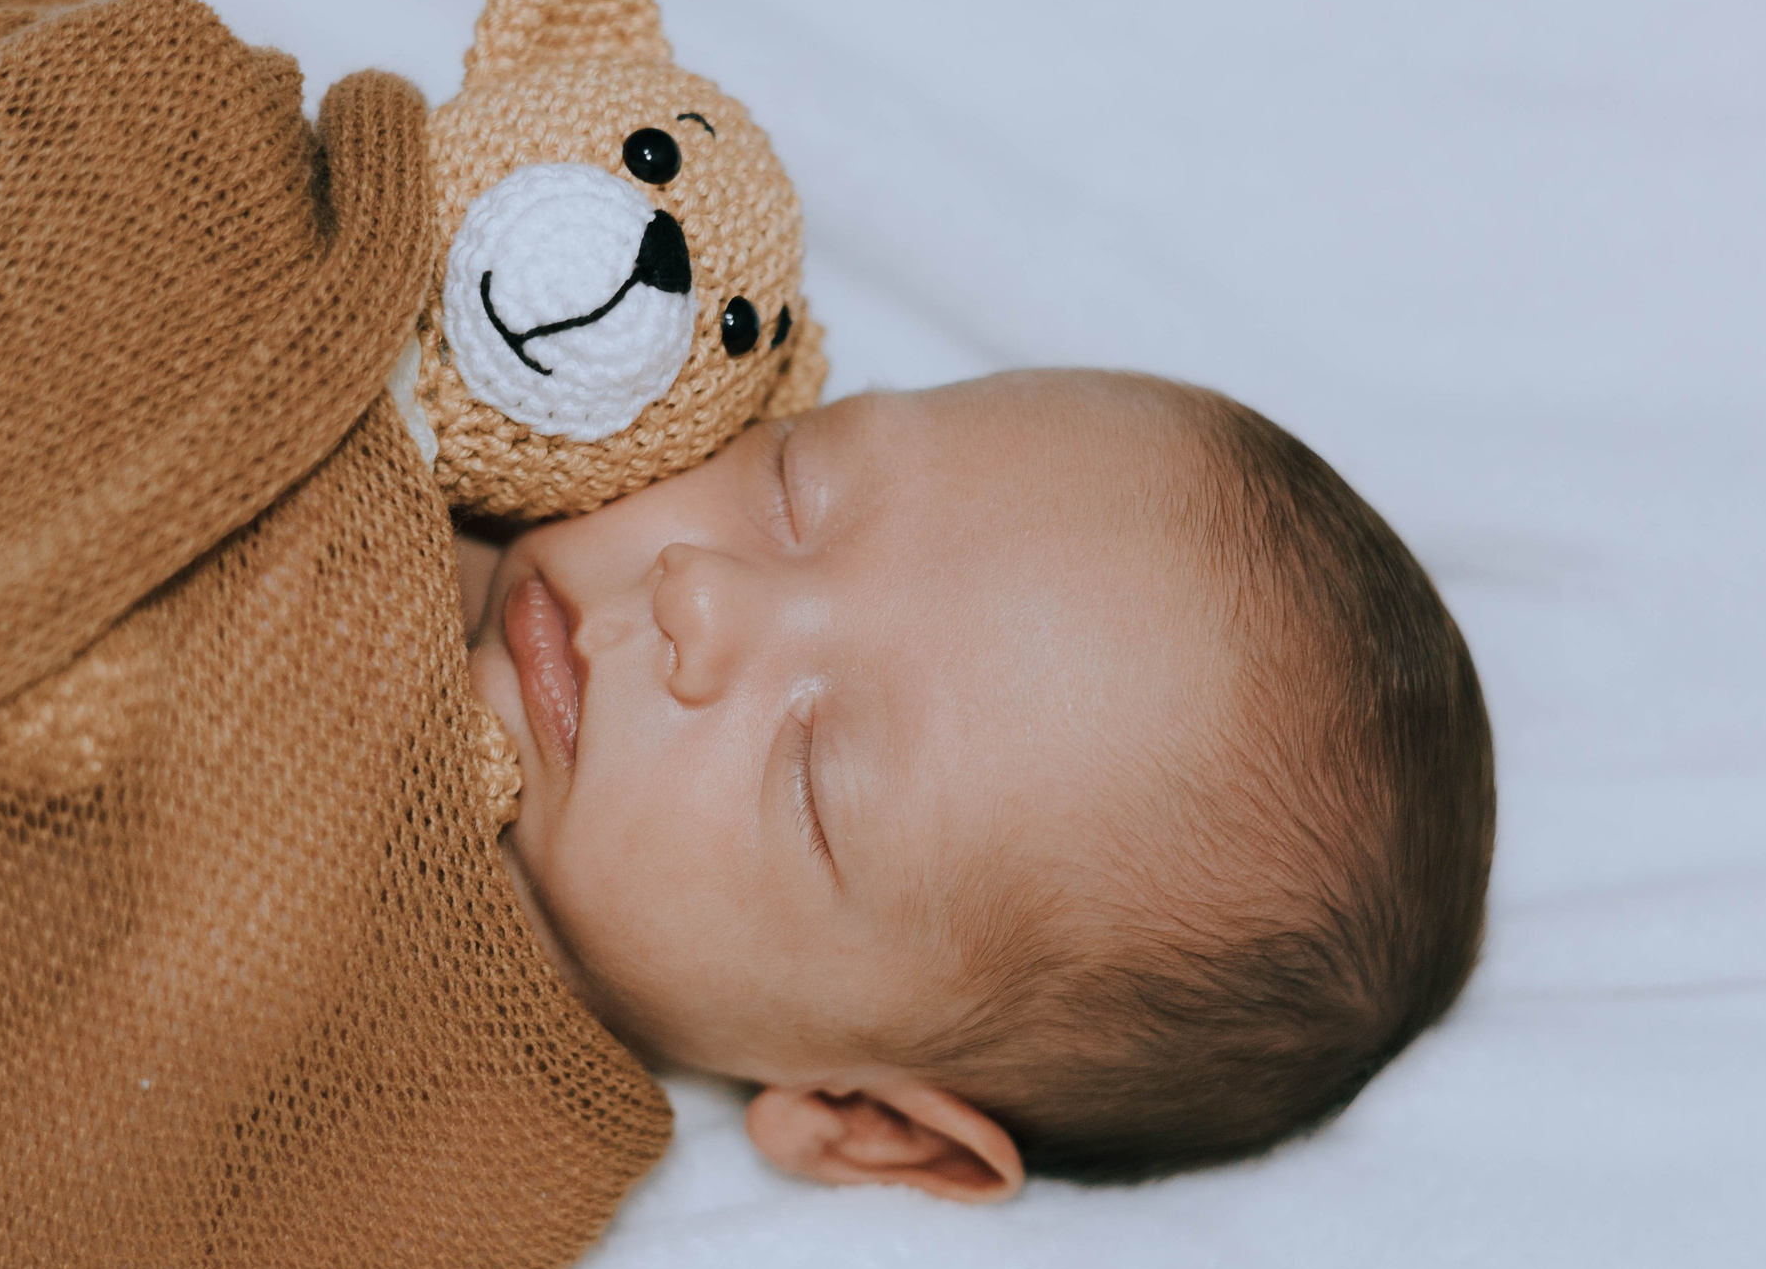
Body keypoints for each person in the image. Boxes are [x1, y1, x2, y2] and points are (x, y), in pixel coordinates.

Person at [458, 368, 1497, 1201]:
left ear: (866, 1121)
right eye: (792, 488)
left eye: (817, 776)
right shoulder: (437, 392)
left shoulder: (433, 1150)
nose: (703, 596)